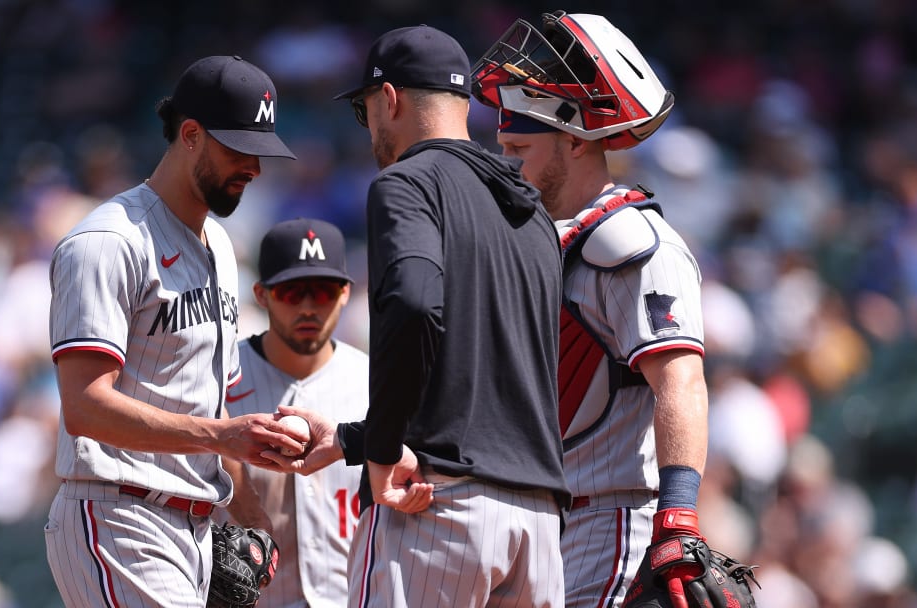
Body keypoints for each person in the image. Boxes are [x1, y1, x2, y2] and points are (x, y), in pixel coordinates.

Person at [268, 25, 570, 608]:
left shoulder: (407, 182)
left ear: (389, 99)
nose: (371, 127)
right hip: (538, 521)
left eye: (365, 111)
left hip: (436, 505)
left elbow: (413, 306)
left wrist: (381, 451)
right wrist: (356, 439)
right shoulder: (530, 212)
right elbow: (482, 383)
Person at [44, 55, 309, 607]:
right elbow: (85, 408)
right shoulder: (109, 242)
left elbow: (218, 414)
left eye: (260, 151)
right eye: (239, 148)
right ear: (190, 134)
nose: (254, 168)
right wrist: (221, 436)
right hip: (117, 513)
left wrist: (254, 520)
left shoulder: (221, 250)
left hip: (195, 526)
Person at [470, 12, 710, 608]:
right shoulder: (537, 234)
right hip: (533, 515)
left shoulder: (631, 242)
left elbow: (680, 380)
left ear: (576, 140)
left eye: (520, 146)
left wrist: (677, 517)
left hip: (611, 513)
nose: (507, 159)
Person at [221, 217, 369, 608]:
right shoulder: (220, 378)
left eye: (321, 291)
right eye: (291, 292)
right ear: (262, 295)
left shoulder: (375, 383)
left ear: (343, 294)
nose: (307, 307)